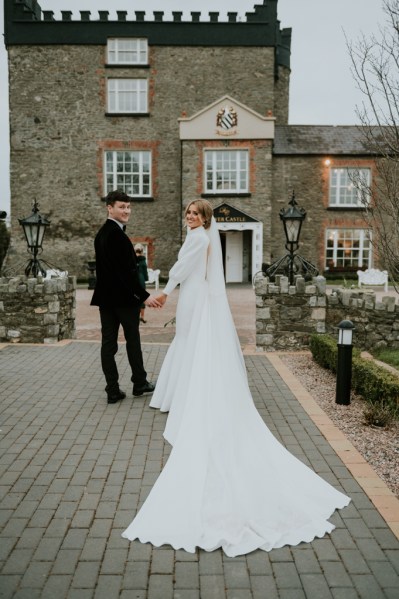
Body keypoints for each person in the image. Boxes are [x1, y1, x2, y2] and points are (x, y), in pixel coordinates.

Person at [122, 199, 350, 556]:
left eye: (195, 214)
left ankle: (183, 394)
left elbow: (183, 267)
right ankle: (176, 393)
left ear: (205, 219)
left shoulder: (199, 239)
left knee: (190, 340)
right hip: (197, 293)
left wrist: (165, 290)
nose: (190, 217)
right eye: (188, 213)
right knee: (187, 341)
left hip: (194, 295)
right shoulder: (200, 236)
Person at [91, 190, 161, 404]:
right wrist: (144, 296)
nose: (126, 211)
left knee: (108, 344)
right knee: (133, 341)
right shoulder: (117, 235)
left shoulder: (102, 233)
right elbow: (125, 273)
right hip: (123, 300)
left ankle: (112, 390)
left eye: (128, 207)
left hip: (106, 300)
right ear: (109, 208)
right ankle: (139, 383)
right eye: (122, 207)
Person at [134, 244, 149, 324]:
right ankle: (142, 317)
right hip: (141, 279)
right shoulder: (143, 260)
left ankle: (135, 317)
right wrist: (145, 279)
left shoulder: (132, 259)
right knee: (142, 298)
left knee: (134, 297)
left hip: (133, 280)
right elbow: (145, 273)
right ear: (142, 251)